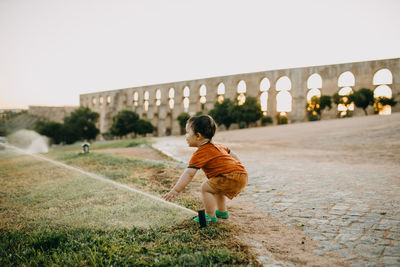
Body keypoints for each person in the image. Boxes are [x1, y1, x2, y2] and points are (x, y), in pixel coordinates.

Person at [164, 115, 248, 223]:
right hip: (241, 174)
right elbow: (233, 154)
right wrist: (238, 169)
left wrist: (175, 190)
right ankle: (222, 212)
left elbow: (189, 174)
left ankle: (210, 215)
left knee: (205, 188)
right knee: (217, 188)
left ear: (198, 136)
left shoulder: (200, 153)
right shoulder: (218, 146)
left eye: (187, 133)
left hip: (230, 176)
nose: (185, 136)